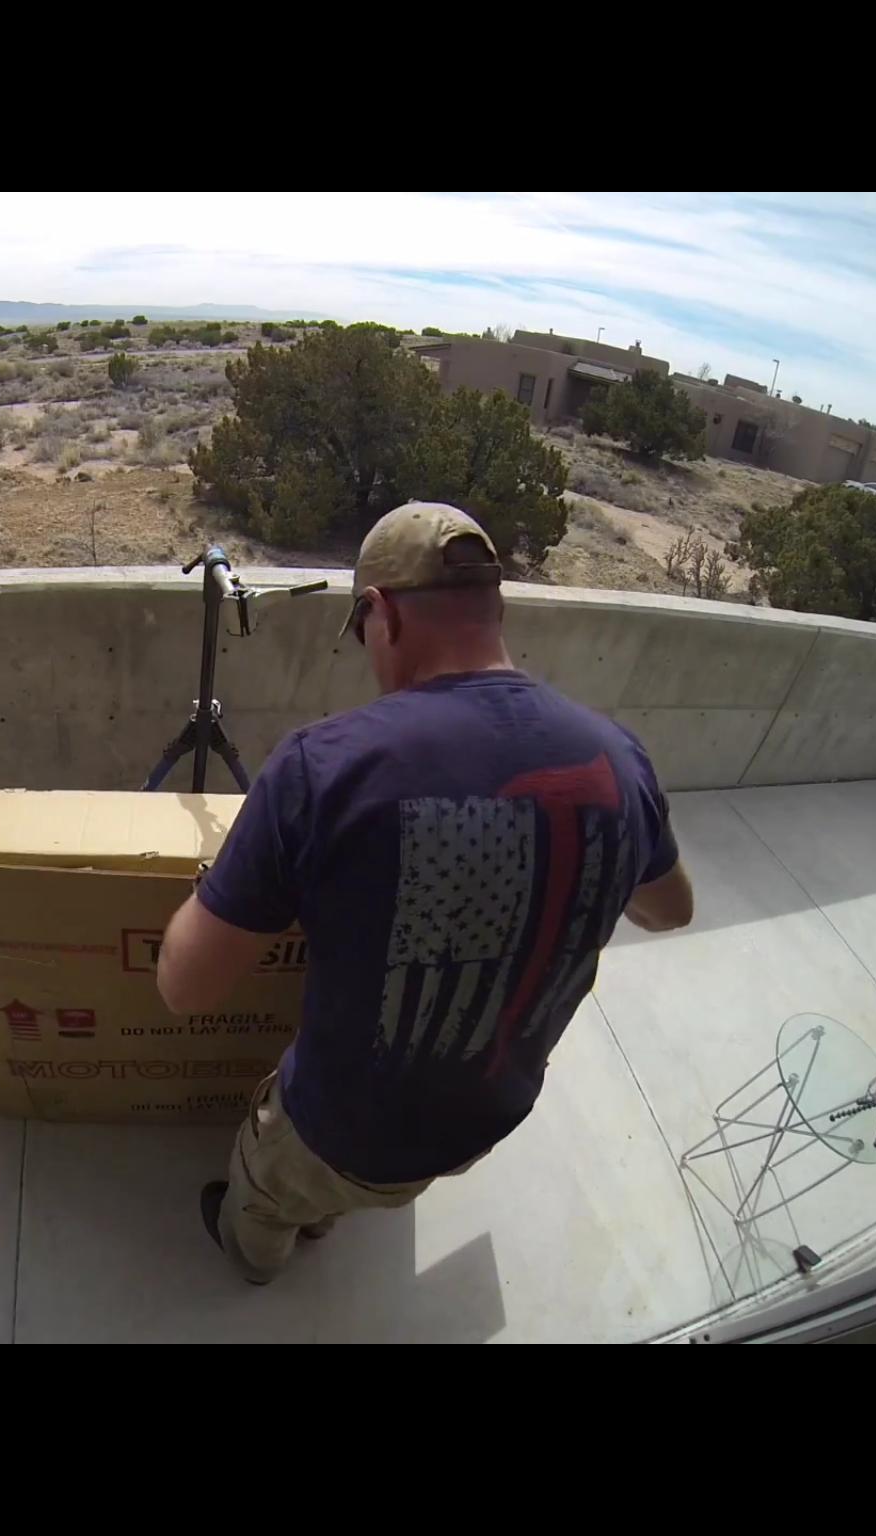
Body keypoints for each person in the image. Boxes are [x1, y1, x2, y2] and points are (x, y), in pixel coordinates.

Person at [154, 502, 695, 1285]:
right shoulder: (619, 758)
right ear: (495, 606)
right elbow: (670, 909)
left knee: (269, 1194)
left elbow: (184, 985)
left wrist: (230, 876)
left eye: (361, 630)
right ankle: (329, 1212)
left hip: (335, 1130)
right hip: (485, 1120)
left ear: (381, 612)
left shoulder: (325, 769)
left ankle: (258, 1255)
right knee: (373, 1183)